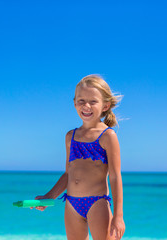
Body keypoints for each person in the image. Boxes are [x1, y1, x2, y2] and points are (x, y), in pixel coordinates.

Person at [33, 74, 125, 240]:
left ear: (105, 105)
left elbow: (115, 177)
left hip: (97, 203)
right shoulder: (70, 136)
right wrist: (49, 197)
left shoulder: (108, 136)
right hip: (71, 204)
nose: (86, 105)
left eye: (93, 101)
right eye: (81, 100)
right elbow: (68, 174)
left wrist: (118, 216)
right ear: (75, 103)